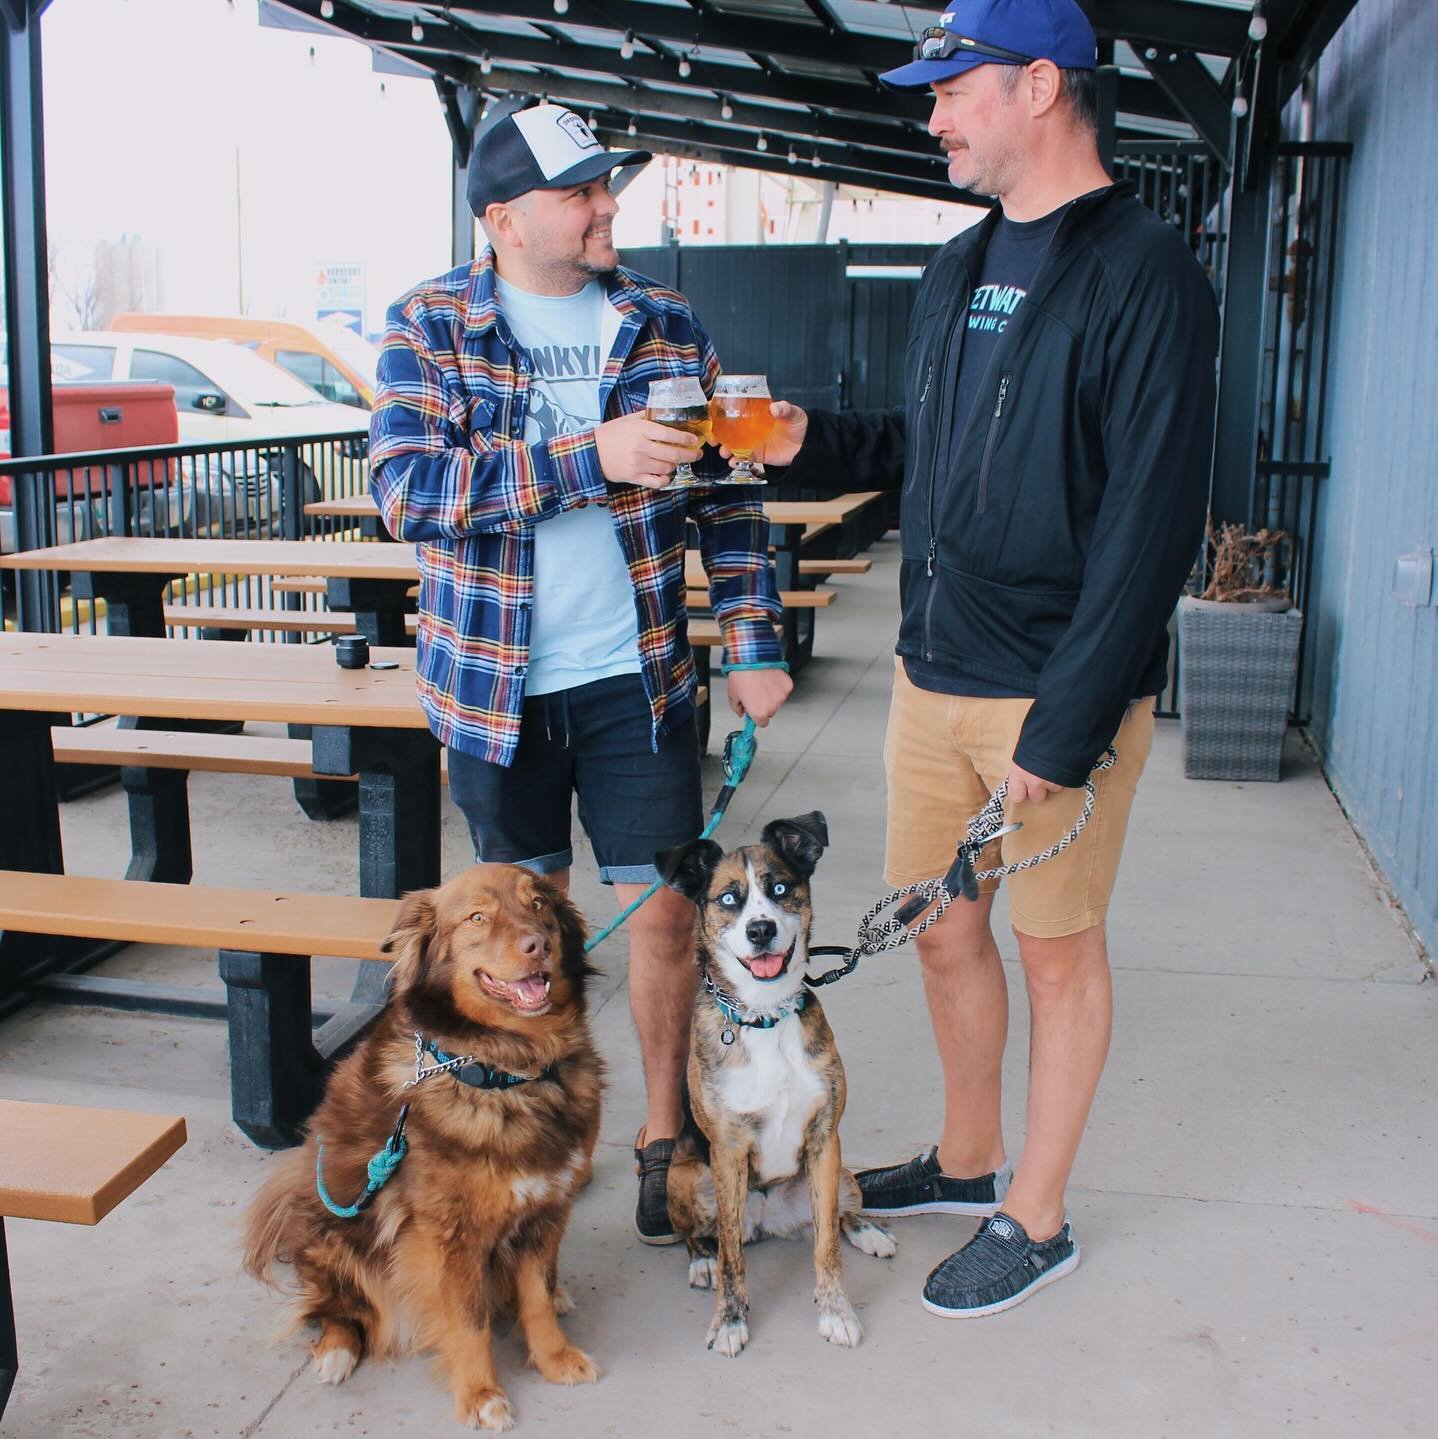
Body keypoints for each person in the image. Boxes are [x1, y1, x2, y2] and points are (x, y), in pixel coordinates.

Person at [752, 0, 1219, 1317]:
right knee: (943, 932)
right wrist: (814, 442)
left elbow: (1149, 526)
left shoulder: (1148, 276)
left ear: (1042, 87)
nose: (935, 113)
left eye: (954, 87)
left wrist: (1062, 726)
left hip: (1049, 691)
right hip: (929, 675)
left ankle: (1037, 1210)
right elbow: (927, 456)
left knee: (1055, 948)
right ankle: (966, 1160)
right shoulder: (958, 269)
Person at [369, 103, 793, 1245]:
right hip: (490, 685)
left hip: (637, 674)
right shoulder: (431, 322)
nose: (608, 207)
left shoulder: (663, 319)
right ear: (502, 218)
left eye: (608, 187)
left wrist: (753, 644)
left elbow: (732, 494)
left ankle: (665, 1139)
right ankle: (539, 1136)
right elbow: (410, 492)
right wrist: (585, 457)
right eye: (581, 193)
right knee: (520, 942)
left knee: (659, 921)